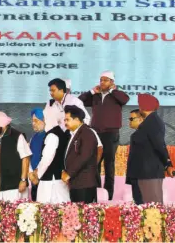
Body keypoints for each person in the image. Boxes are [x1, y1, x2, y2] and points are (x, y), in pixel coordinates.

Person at [79, 70, 130, 200]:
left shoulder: (117, 95)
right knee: (93, 163)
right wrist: (91, 92)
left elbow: (125, 99)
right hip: (96, 133)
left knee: (109, 164)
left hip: (110, 133)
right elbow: (79, 101)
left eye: (105, 80)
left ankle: (108, 194)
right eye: (101, 80)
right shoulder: (95, 96)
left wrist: (112, 91)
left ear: (112, 82)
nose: (102, 82)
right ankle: (95, 192)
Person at [126, 94, 175, 204]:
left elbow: (159, 145)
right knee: (143, 209)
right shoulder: (150, 122)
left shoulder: (153, 122)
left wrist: (168, 164)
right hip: (142, 173)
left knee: (151, 210)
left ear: (143, 107)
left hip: (148, 173)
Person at [0, 111, 32, 201]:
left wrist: (23, 180)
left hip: (15, 187)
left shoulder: (17, 136)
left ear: (3, 124)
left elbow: (26, 158)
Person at [29, 106, 71, 203]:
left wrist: (37, 175)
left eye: (38, 120)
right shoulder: (57, 133)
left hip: (51, 182)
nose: (34, 123)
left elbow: (47, 158)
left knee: (51, 211)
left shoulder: (52, 135)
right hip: (47, 180)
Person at [62, 105, 98, 203]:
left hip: (84, 183)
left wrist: (68, 173)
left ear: (77, 120)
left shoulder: (87, 133)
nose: (65, 123)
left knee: (84, 215)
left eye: (67, 120)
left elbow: (84, 156)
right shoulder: (74, 134)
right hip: (76, 182)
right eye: (64, 120)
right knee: (78, 215)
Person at [125, 109, 145, 204]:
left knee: (141, 204)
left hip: (141, 176)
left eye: (131, 118)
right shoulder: (136, 134)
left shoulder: (143, 134)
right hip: (137, 176)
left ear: (140, 119)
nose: (129, 121)